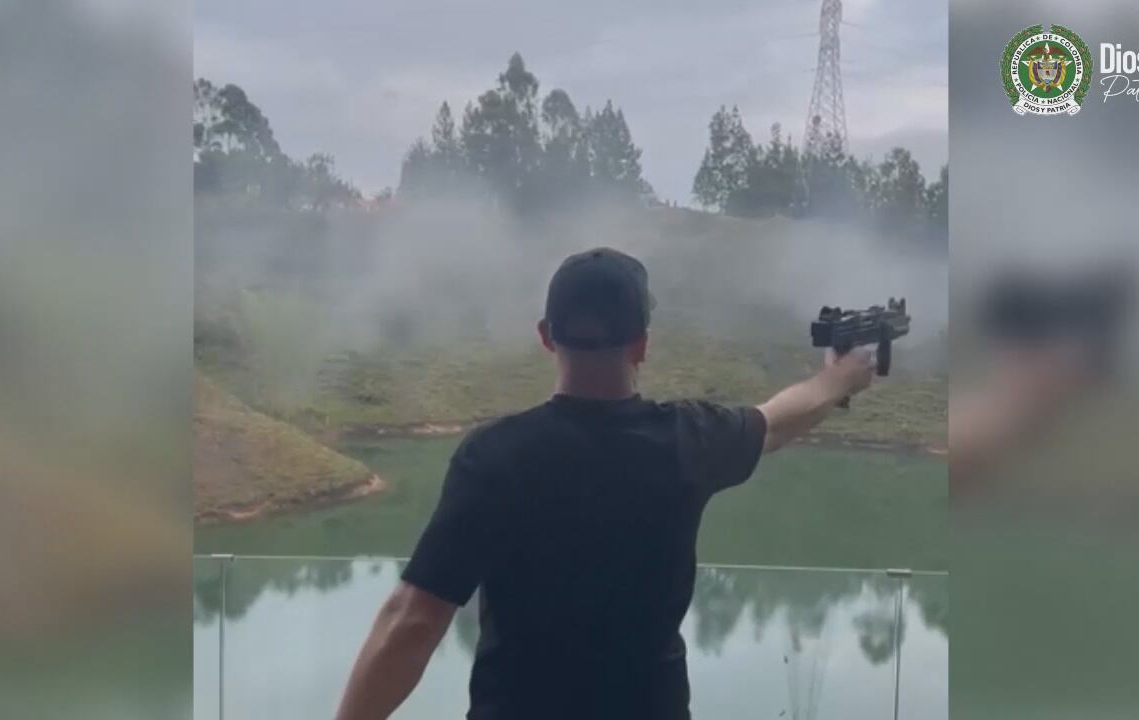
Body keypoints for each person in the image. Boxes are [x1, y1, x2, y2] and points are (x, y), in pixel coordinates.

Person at [334, 247, 876, 720]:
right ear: (640, 344)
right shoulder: (689, 441)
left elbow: (415, 620)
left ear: (547, 337)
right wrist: (840, 377)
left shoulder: (493, 457)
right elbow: (779, 419)